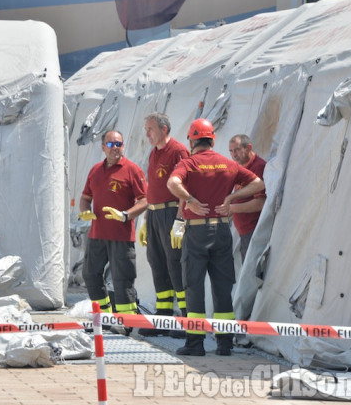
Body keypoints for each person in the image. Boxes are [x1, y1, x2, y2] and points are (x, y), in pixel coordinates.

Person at [167, 119, 264, 356]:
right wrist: (231, 198)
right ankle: (224, 343)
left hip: (196, 231)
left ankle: (195, 343)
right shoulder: (227, 164)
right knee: (222, 287)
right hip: (221, 232)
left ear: (191, 140)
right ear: (212, 140)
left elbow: (172, 183)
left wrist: (189, 201)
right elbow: (258, 182)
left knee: (194, 286)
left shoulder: (188, 164)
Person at [78, 130, 148, 326]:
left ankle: (128, 323)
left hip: (121, 237)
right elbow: (85, 197)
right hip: (97, 234)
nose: (115, 148)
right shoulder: (95, 171)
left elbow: (145, 200)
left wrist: (126, 215)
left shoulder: (132, 170)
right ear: (103, 148)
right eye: (110, 144)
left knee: (122, 280)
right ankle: (104, 318)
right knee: (90, 275)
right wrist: (85, 211)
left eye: (119, 144)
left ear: (123, 147)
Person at [138, 113, 189, 337]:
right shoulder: (153, 153)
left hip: (171, 213)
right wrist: (146, 221)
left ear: (164, 129)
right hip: (155, 214)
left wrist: (180, 220)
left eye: (150, 129)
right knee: (157, 263)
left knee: (175, 264)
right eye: (146, 129)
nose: (147, 134)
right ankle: (163, 317)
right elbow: (152, 189)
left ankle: (187, 318)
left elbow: (185, 189)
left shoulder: (178, 151)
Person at [228, 134, 266, 262]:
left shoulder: (258, 167)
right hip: (245, 233)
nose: (234, 154)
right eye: (231, 151)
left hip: (255, 232)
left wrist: (232, 208)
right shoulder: (239, 167)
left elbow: (260, 203)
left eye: (237, 150)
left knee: (254, 275)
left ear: (248, 148)